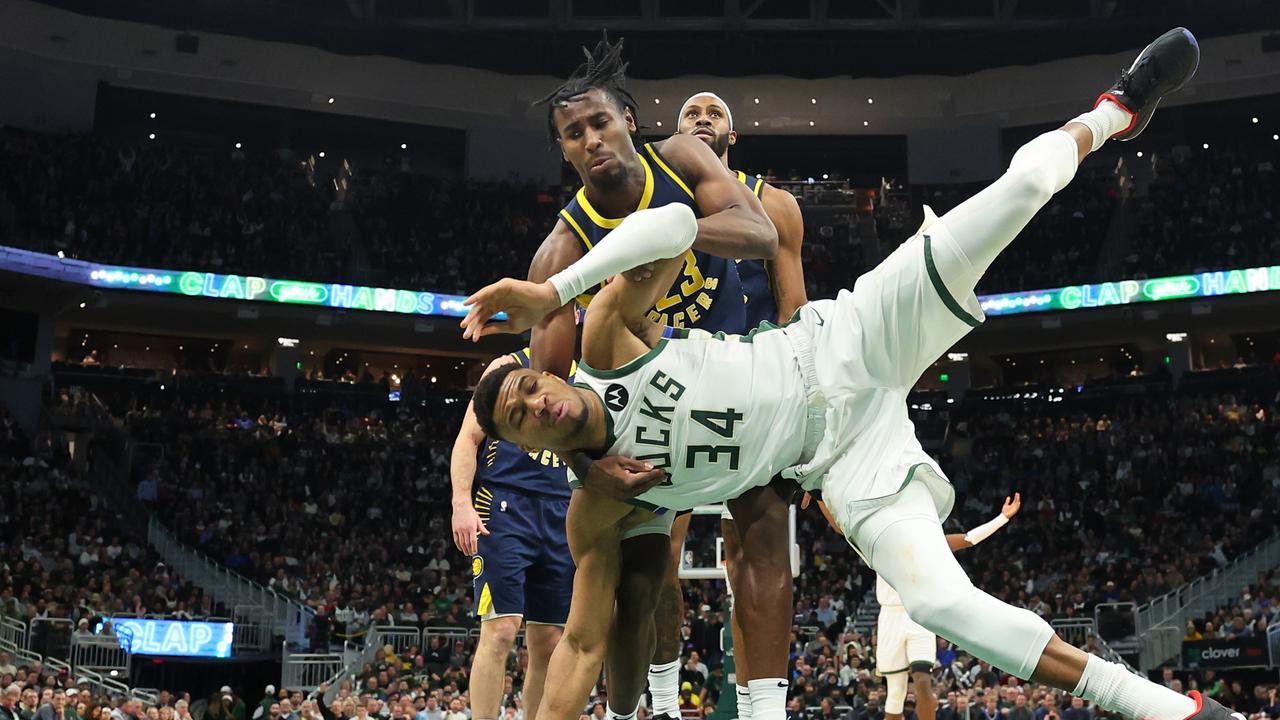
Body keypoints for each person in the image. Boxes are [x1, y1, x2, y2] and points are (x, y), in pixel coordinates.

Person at [461, 26, 1240, 720]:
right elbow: (582, 640)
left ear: (630, 121)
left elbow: (672, 228)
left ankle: (1113, 112)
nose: (538, 398)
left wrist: (550, 295)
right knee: (939, 603)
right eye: (523, 408)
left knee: (1024, 187)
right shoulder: (601, 490)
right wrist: (588, 471)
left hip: (843, 342)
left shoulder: (605, 327)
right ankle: (1172, 710)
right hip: (834, 455)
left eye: (531, 386)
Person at [471, 35, 793, 720]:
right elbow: (546, 401)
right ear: (562, 150)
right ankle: (651, 708)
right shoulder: (560, 249)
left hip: (730, 373)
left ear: (629, 122)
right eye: (572, 134)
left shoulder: (681, 157)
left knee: (762, 531)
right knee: (642, 588)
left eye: (599, 123)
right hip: (646, 404)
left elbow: (760, 235)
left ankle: (767, 708)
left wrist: (663, 235)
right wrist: (591, 471)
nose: (590, 139)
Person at [645, 90, 809, 720]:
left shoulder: (774, 205)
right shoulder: (648, 201)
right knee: (655, 551)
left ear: (731, 138)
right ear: (677, 134)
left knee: (760, 550)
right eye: (692, 114)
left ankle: (762, 709)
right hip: (669, 386)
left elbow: (793, 308)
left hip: (750, 384)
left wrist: (798, 403)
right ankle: (660, 702)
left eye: (715, 114)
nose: (703, 119)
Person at [451, 348, 576, 720]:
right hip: (505, 503)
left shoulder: (593, 369)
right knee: (502, 629)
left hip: (565, 508)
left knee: (549, 641)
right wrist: (461, 502)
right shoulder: (507, 366)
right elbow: (468, 439)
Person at [877, 496, 1022, 720]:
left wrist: (1002, 518)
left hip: (918, 614)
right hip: (890, 616)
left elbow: (968, 539)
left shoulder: (927, 542)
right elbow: (841, 529)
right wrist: (817, 493)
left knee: (923, 683)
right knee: (895, 694)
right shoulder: (875, 540)